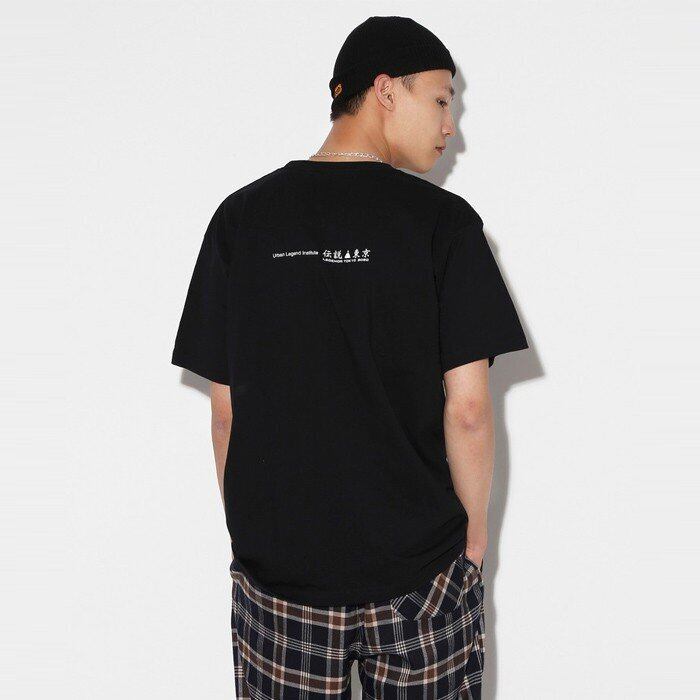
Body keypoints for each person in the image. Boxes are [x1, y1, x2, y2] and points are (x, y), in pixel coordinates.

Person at [171, 15, 528, 699]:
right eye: (441, 99)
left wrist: (258, 540)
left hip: (281, 577)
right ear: (386, 90)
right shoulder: (444, 225)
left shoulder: (241, 220)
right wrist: (474, 543)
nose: (450, 126)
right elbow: (470, 409)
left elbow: (225, 413)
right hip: (420, 577)